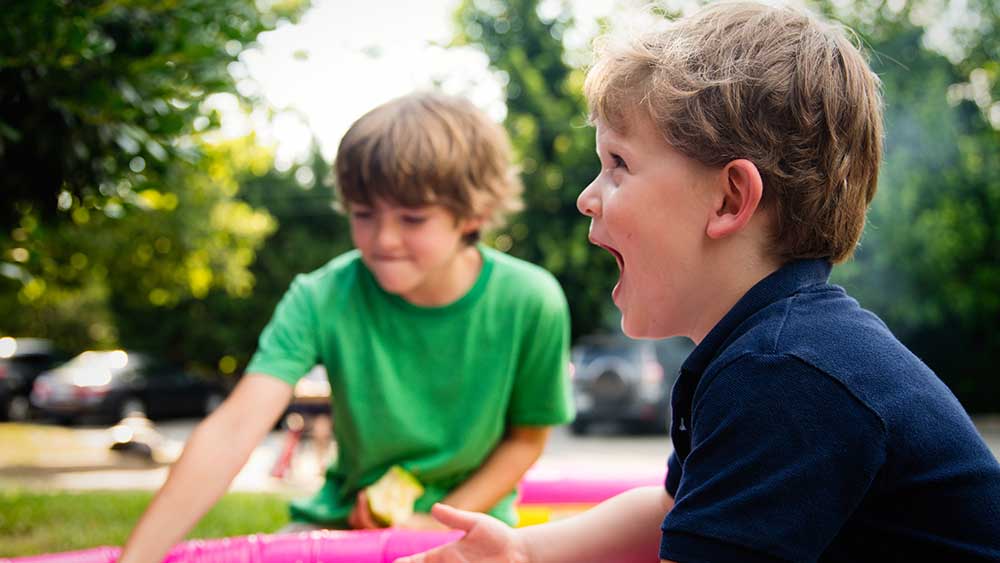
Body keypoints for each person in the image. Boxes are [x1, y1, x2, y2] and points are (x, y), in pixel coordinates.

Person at [396, 3, 1000, 562]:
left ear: (730, 198)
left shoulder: (785, 374)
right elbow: (668, 512)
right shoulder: (767, 349)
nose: (586, 198)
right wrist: (524, 553)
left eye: (618, 165)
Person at [118, 91, 574, 562]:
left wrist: (433, 522)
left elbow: (525, 441)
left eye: (413, 218)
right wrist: (138, 561)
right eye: (363, 214)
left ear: (472, 215)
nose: (383, 239)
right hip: (340, 526)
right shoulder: (320, 297)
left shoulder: (531, 300)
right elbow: (234, 429)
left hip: (471, 529)